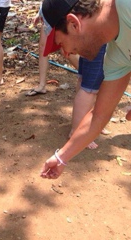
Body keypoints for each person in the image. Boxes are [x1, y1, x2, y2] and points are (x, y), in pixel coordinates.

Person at [40, 0, 131, 179]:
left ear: (74, 24)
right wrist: (61, 156)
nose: (66, 54)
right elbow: (99, 115)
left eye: (61, 44)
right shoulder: (117, 56)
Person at [26, 7, 108, 149]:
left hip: (87, 30)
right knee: (90, 88)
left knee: (85, 82)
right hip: (92, 33)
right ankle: (78, 131)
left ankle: (83, 125)